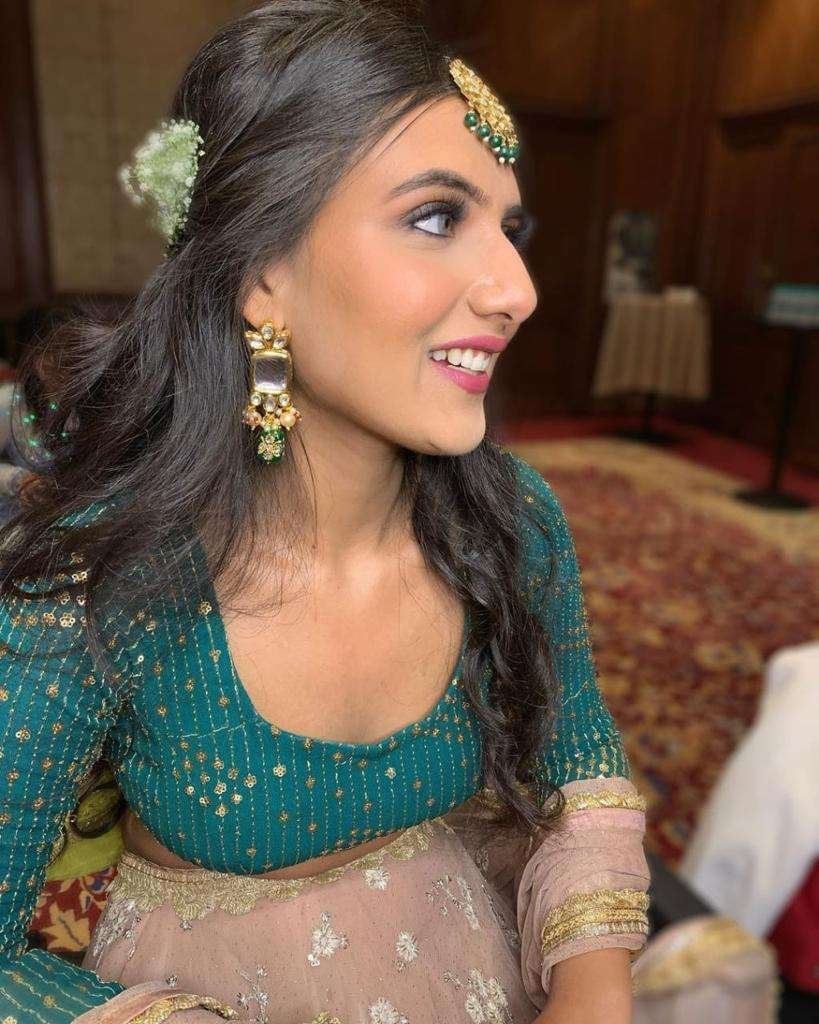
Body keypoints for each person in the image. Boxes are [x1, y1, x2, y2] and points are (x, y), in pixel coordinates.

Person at [0, 3, 651, 1022]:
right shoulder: (105, 578)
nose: (517, 289)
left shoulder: (511, 522)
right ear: (263, 274)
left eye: (508, 228)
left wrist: (591, 993)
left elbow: (579, 767)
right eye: (435, 217)